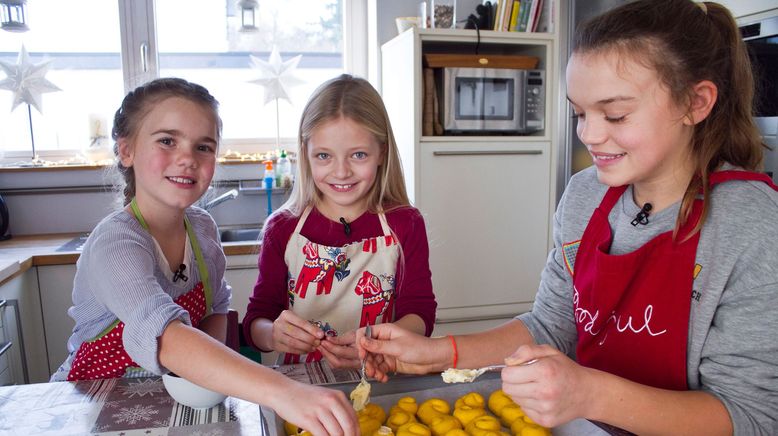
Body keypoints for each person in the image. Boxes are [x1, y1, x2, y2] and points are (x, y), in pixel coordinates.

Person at [356, 1, 778, 434]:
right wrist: (440, 352)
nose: (589, 135)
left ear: (696, 102)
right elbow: (551, 326)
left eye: (615, 114)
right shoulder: (585, 194)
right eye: (579, 113)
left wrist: (589, 393)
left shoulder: (751, 227)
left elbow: (751, 418)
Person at [51, 77, 357, 435]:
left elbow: (215, 311)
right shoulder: (115, 244)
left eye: (204, 147)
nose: (187, 159)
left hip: (176, 406)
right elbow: (164, 334)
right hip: (97, 406)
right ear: (126, 150)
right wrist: (285, 393)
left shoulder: (202, 230)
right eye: (167, 140)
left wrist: (206, 382)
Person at [243, 74, 436, 368]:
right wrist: (272, 335)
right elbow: (256, 322)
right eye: (324, 156)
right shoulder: (282, 229)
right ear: (305, 154)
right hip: (300, 388)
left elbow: (420, 314)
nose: (341, 172)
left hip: (381, 376)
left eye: (358, 155)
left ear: (381, 152)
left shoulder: (404, 224)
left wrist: (376, 343)